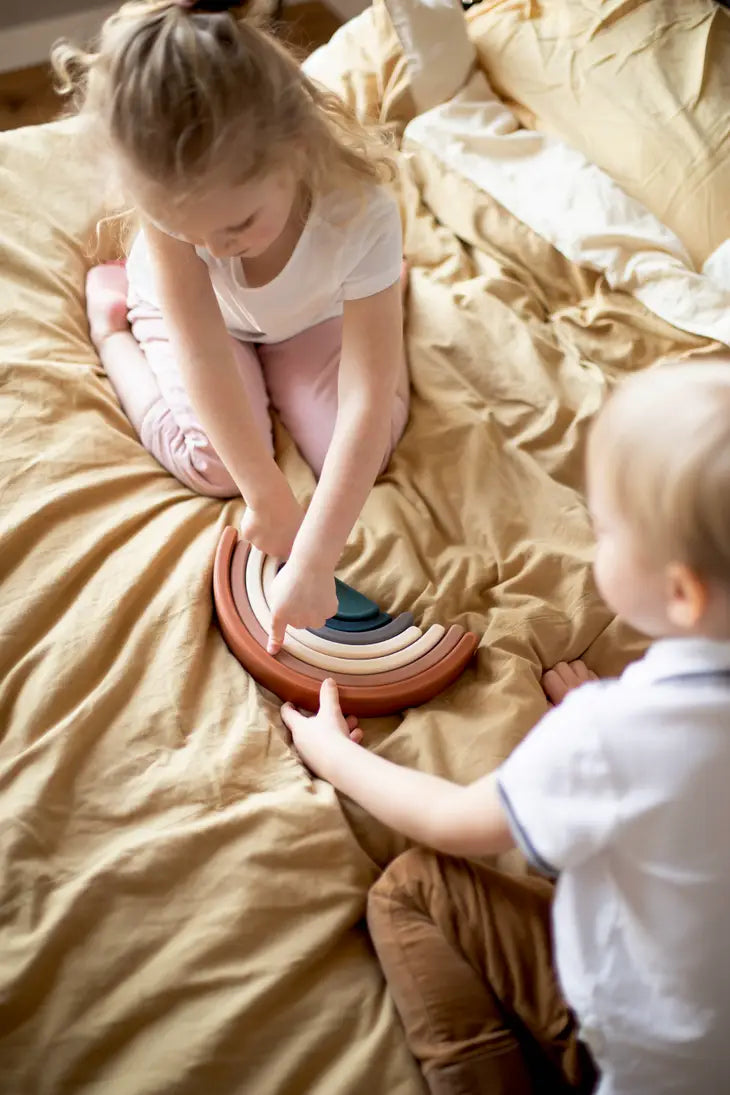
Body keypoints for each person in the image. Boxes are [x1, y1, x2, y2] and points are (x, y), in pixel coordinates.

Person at [282, 361, 730, 1094]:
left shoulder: (611, 736)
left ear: (680, 592)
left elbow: (451, 819)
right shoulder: (624, 728)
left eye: (607, 528)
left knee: (410, 891)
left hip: (659, 1064)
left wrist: (331, 753)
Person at [53, 0, 408, 653]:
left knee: (362, 449)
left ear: (296, 155)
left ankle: (382, 297)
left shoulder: (361, 214)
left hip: (312, 317)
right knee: (214, 466)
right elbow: (203, 352)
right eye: (187, 230)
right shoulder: (180, 216)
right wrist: (267, 495)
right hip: (204, 326)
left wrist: (316, 554)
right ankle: (114, 330)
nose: (211, 248)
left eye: (236, 227)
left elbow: (365, 395)